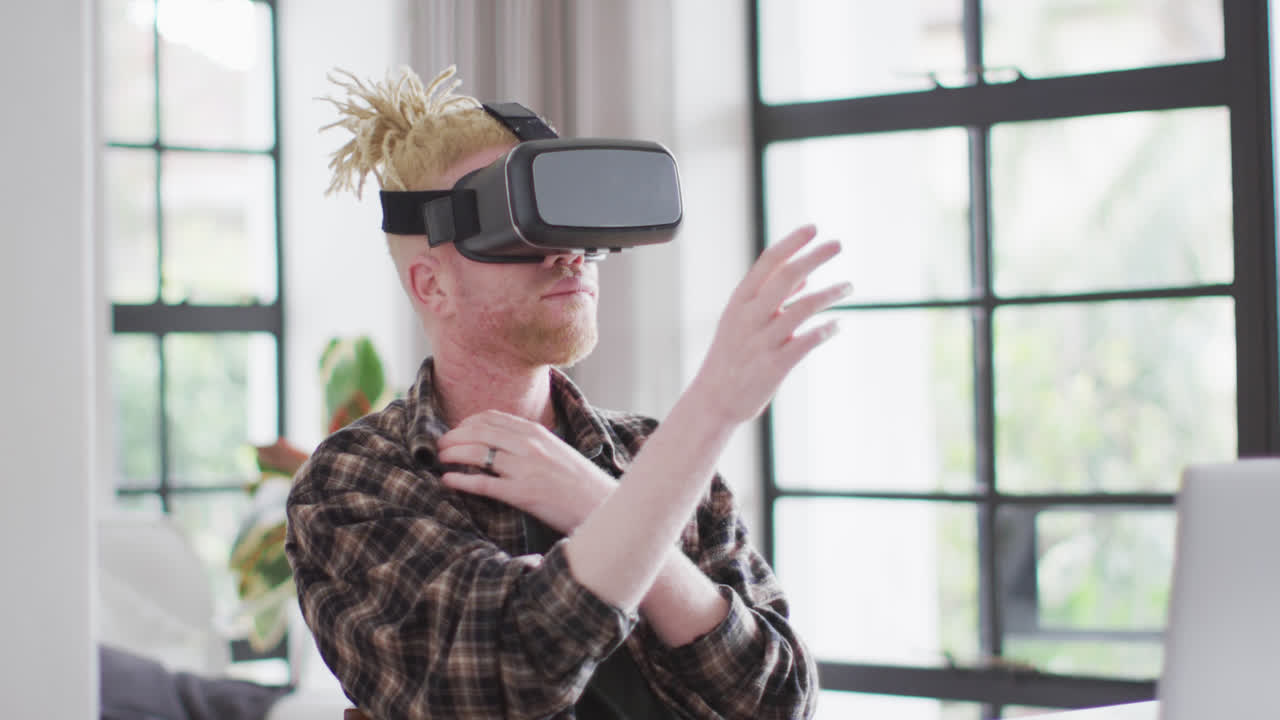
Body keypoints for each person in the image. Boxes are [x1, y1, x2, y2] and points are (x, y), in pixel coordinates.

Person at [284, 65, 851, 720]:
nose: (569, 253)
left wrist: (596, 500)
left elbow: (781, 701)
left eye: (569, 218)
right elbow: (505, 677)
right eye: (517, 224)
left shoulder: (652, 455)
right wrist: (712, 411)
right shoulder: (356, 484)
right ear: (431, 285)